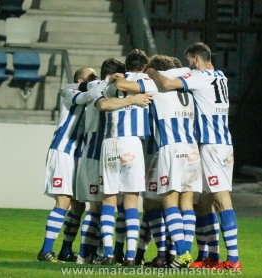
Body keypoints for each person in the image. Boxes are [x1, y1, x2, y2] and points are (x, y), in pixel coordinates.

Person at [145, 42, 241, 271]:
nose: (189, 66)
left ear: (197, 60)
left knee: (221, 199)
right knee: (204, 203)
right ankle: (212, 257)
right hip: (223, 143)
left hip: (211, 145)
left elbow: (167, 83)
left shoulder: (200, 76)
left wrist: (150, 71)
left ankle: (234, 261)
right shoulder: (219, 76)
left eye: (189, 61)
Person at [112, 54, 202, 268]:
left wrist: (118, 77)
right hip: (192, 149)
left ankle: (181, 254)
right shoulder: (186, 88)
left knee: (169, 202)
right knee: (186, 204)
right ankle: (184, 254)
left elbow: (124, 84)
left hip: (171, 148)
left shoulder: (155, 84)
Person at [74, 57, 153, 266]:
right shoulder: (146, 81)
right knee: (131, 203)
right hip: (133, 143)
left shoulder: (108, 84)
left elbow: (103, 105)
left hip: (109, 144)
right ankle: (129, 257)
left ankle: (108, 253)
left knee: (108, 200)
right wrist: (134, 99)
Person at [37, 67, 98, 263]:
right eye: (91, 77)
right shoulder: (71, 90)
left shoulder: (90, 93)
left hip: (78, 155)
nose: (95, 79)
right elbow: (86, 96)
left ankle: (66, 250)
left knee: (78, 205)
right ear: (80, 79)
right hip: (62, 151)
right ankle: (45, 251)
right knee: (63, 202)